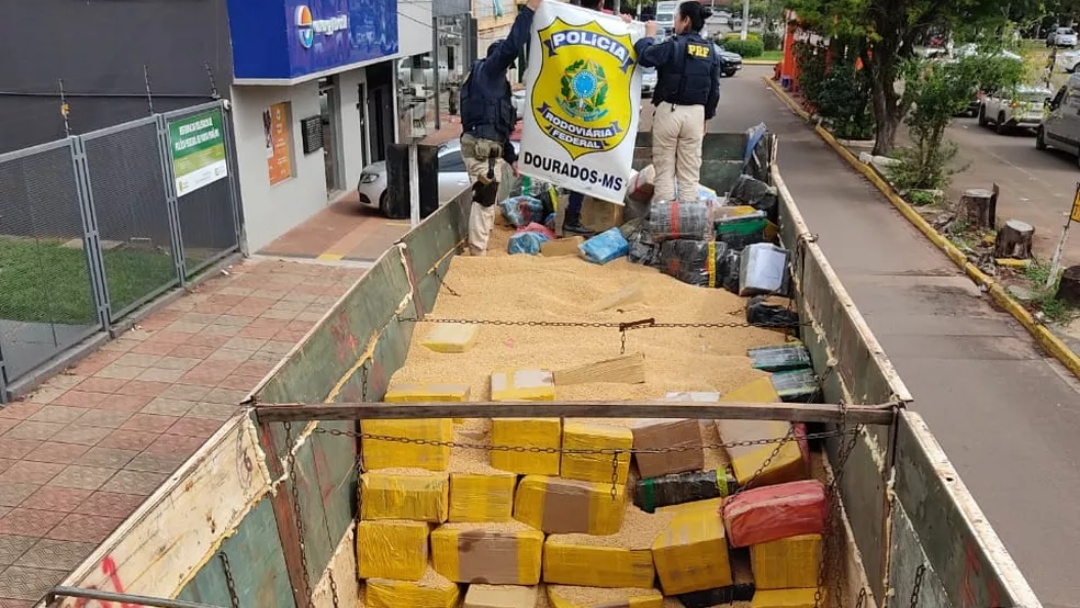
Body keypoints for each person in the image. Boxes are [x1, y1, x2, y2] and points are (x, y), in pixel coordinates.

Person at [460, 0, 544, 256]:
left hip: (488, 151)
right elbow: (511, 46)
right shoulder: (489, 72)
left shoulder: (492, 87)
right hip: (481, 153)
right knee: (485, 201)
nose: (508, 70)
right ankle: (478, 254)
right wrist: (528, 10)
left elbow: (499, 128)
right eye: (507, 66)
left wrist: (512, 159)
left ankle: (479, 247)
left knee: (487, 199)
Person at [635, 2, 721, 203]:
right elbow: (714, 89)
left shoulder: (673, 45)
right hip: (696, 115)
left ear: (686, 20)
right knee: (689, 173)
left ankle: (666, 222)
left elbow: (646, 57)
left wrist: (648, 36)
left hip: (670, 112)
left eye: (676, 19)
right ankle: (686, 222)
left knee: (664, 170)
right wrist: (706, 117)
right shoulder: (711, 51)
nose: (674, 24)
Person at [562, 0, 633, 235]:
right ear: (602, 3)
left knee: (576, 162)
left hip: (571, 111)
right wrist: (627, 26)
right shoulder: (609, 24)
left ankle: (573, 214)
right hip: (598, 113)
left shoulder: (567, 19)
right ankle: (574, 215)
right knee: (593, 160)